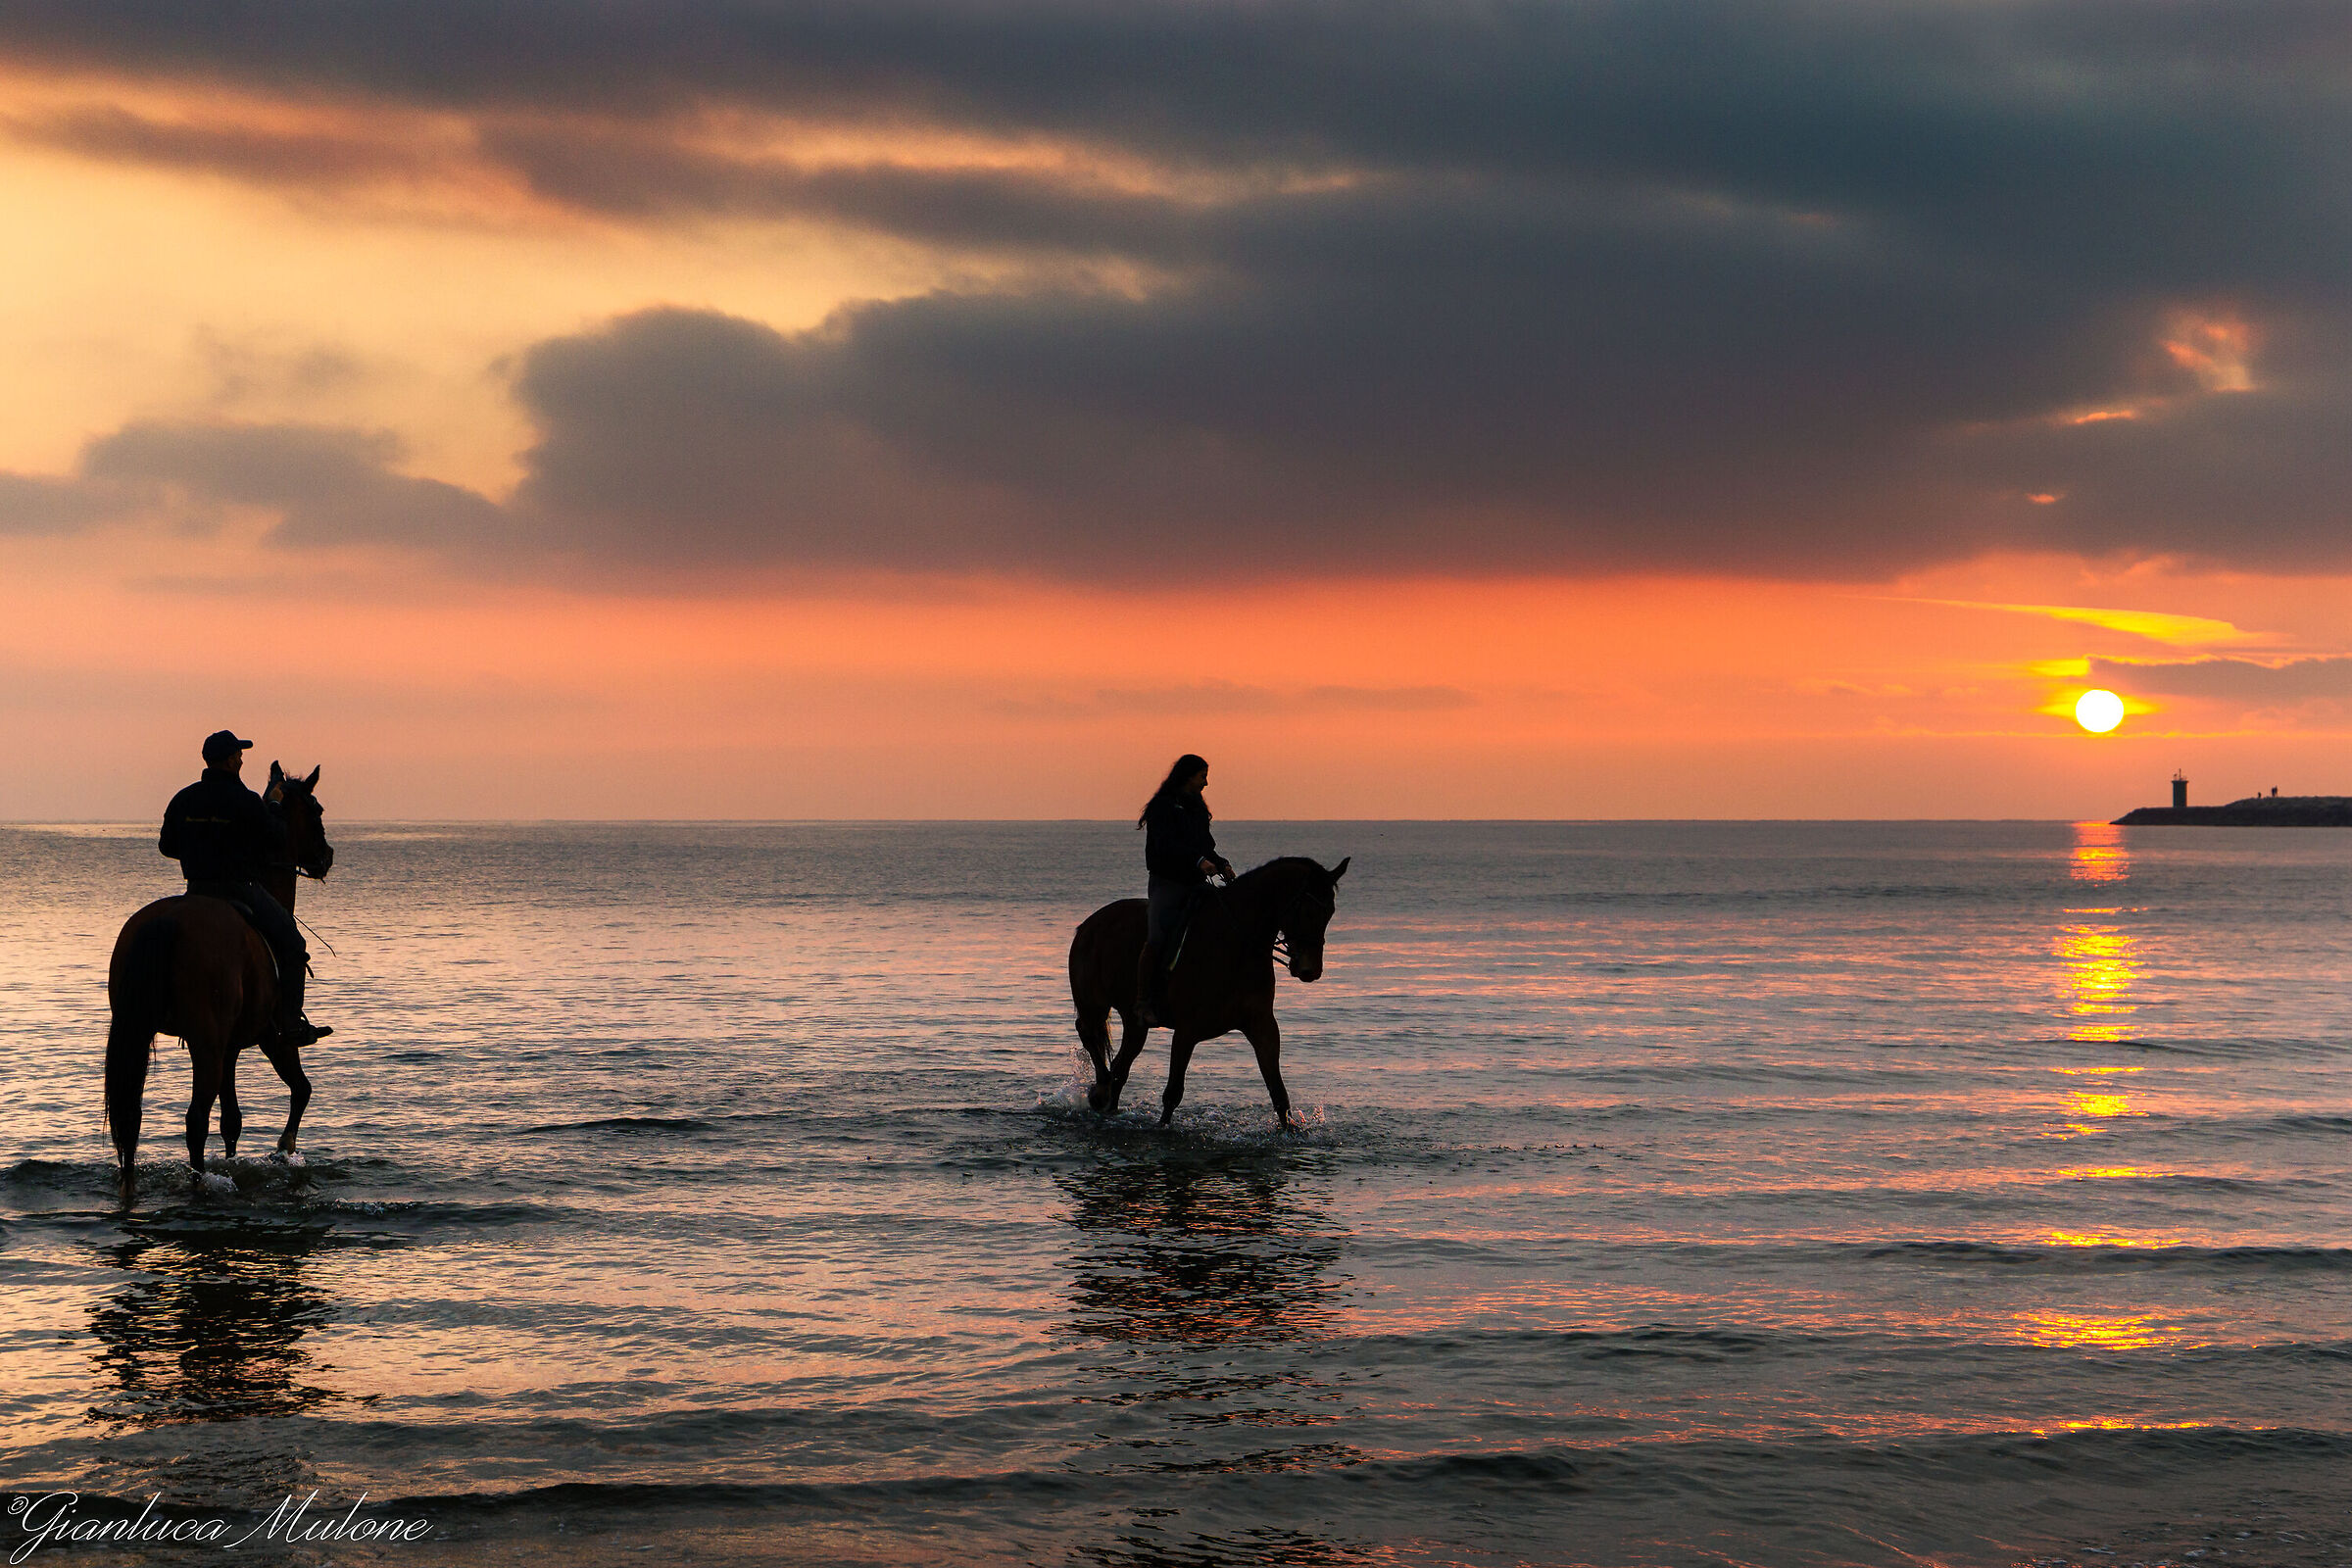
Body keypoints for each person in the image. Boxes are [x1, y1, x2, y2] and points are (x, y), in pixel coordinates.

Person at [160, 729, 328, 1047]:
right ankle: (291, 1024)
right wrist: (274, 804)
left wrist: (199, 851)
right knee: (293, 943)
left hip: (196, 890)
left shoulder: (183, 798)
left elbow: (167, 846)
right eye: (238, 754)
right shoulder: (247, 800)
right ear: (228, 761)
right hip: (238, 889)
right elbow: (276, 837)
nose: (241, 759)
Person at [1135, 754, 1235, 1026]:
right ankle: (1143, 1001)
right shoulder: (1162, 806)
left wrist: (1221, 864)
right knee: (1157, 938)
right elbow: (1166, 845)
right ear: (1188, 776)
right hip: (1167, 882)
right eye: (1202, 777)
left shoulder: (1197, 808)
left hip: (1195, 883)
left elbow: (1206, 845)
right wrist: (1198, 861)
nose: (1206, 783)